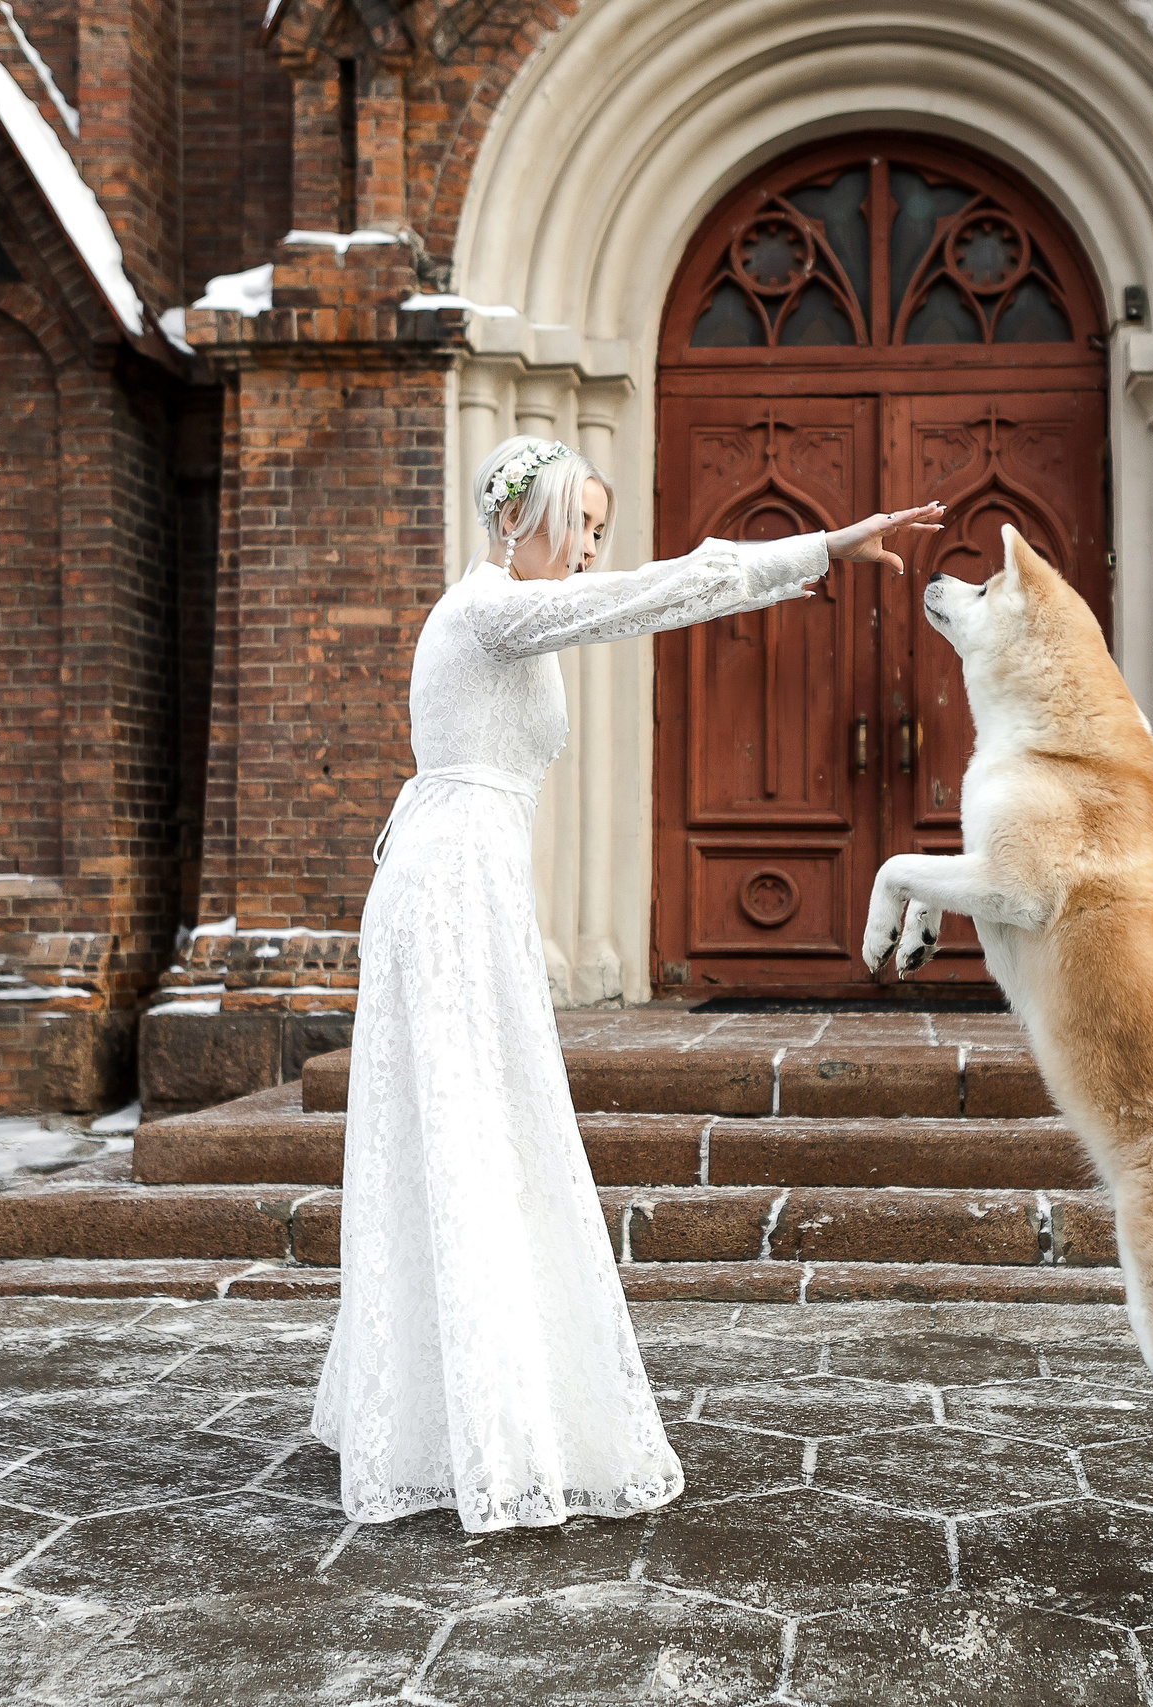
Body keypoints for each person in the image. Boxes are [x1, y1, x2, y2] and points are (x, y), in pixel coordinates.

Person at [311, 433, 942, 1529]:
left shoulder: (499, 610)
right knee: (468, 1134)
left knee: (483, 1130)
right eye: (581, 527)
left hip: (472, 880)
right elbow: (653, 597)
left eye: (601, 529)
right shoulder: (489, 608)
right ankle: (465, 1417)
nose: (594, 548)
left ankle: (456, 1404)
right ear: (522, 522)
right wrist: (823, 547)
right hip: (449, 888)